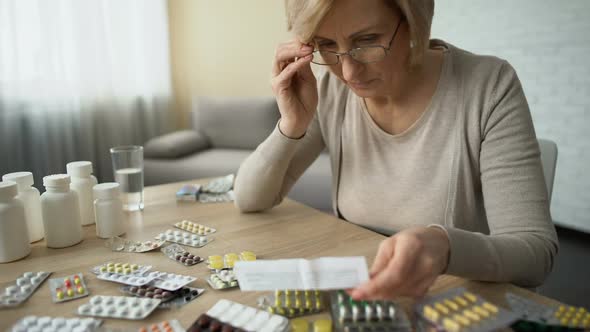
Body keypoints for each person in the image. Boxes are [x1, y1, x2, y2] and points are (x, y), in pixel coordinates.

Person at [233, 0, 558, 300]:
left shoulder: (488, 85)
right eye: (327, 45)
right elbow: (249, 198)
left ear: (415, 22)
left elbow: (534, 256)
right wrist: (291, 124)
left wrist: (445, 247)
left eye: (367, 40)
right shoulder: (330, 89)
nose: (348, 73)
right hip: (361, 294)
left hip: (450, 299)